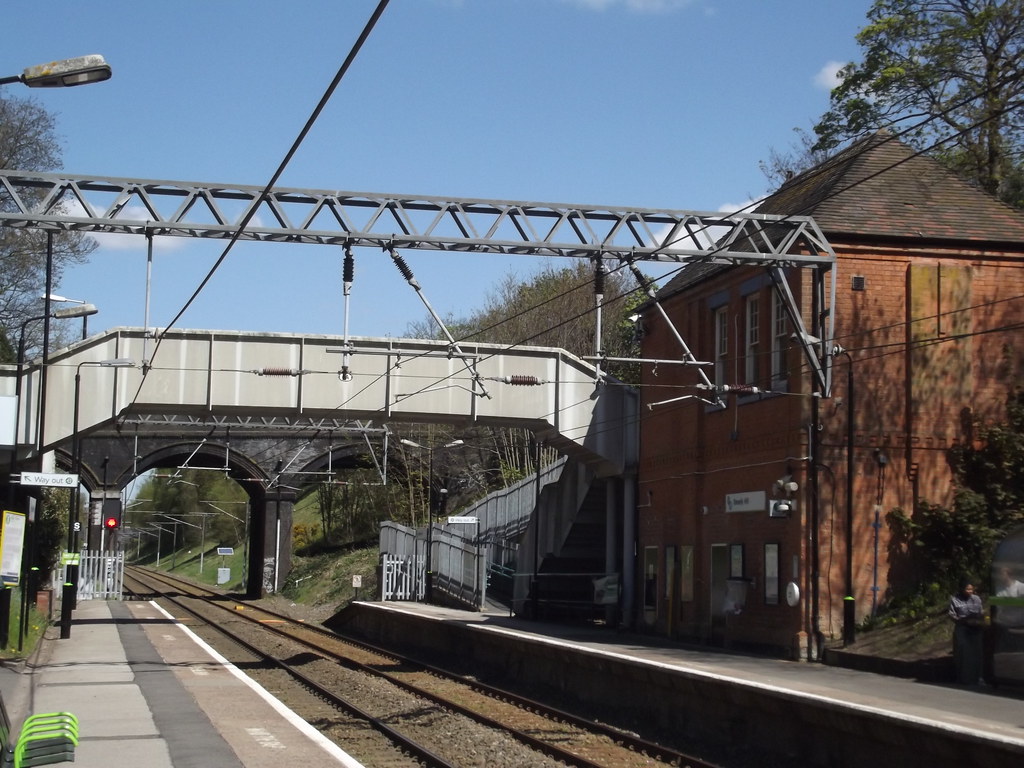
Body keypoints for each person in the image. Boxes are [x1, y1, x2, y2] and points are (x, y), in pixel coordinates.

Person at [948, 579, 985, 685]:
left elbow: (981, 612)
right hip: (962, 628)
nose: (969, 591)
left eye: (971, 589)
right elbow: (952, 615)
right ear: (961, 589)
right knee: (962, 652)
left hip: (975, 628)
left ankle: (979, 677)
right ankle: (961, 678)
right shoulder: (955, 600)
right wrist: (962, 620)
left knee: (978, 653)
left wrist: (981, 621)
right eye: (967, 589)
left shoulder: (976, 599)